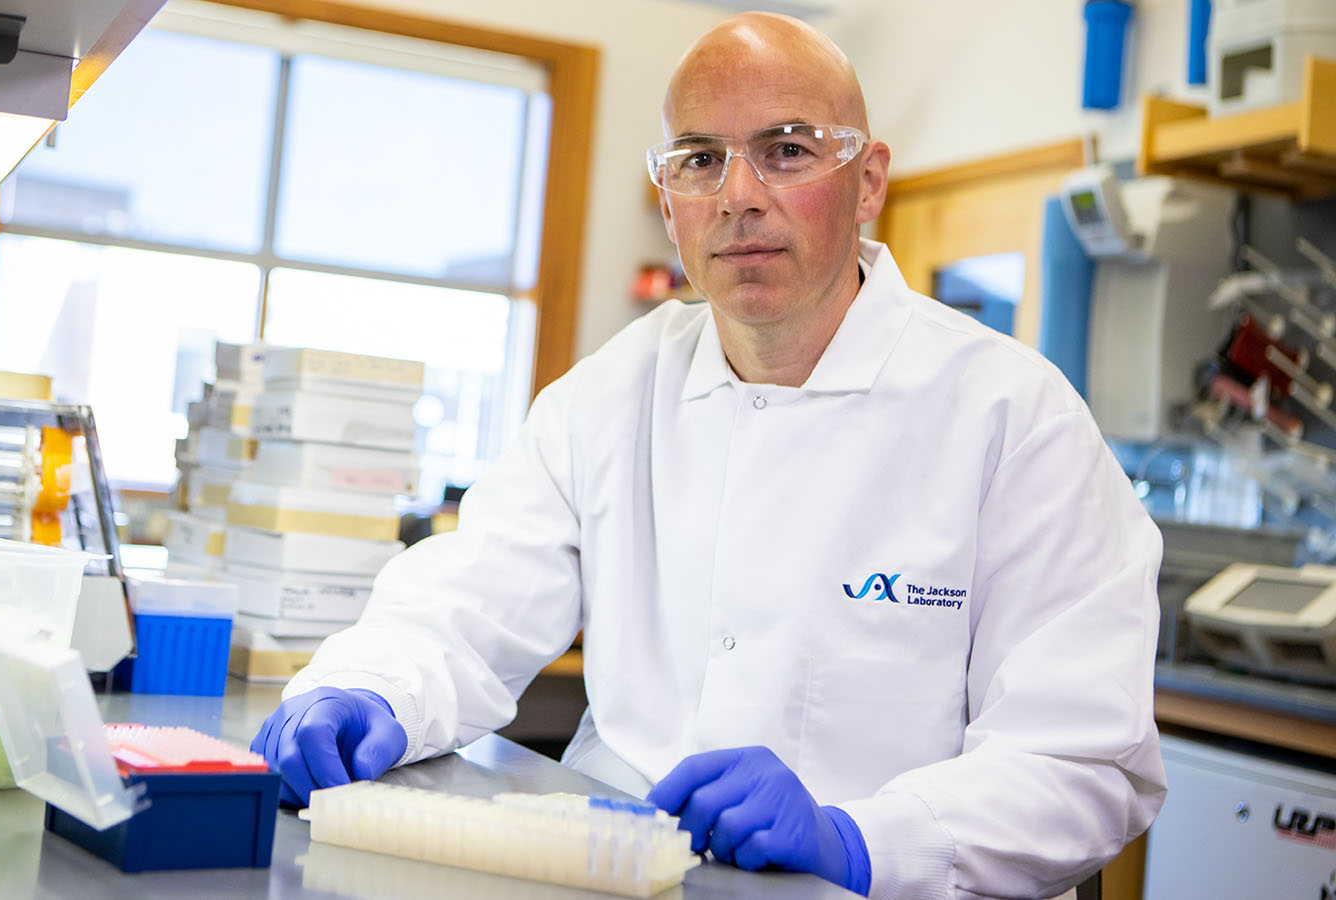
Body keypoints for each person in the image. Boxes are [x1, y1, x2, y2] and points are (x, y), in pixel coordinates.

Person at [252, 12, 1166, 899]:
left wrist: (857, 840)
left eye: (789, 149)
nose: (738, 195)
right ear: (669, 199)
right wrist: (363, 689)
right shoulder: (610, 394)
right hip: (615, 869)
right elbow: (462, 608)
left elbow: (1085, 761)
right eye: (699, 159)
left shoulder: (1014, 417)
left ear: (870, 178)